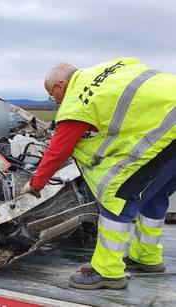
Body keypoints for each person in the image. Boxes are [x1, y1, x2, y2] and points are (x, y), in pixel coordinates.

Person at [21, 58, 175, 290]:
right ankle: (147, 257)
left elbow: (58, 150)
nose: (55, 102)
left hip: (167, 128)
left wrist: (36, 183)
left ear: (59, 86)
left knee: (115, 193)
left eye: (52, 97)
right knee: (155, 193)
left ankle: (108, 272)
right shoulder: (112, 67)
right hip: (169, 123)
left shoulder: (77, 99)